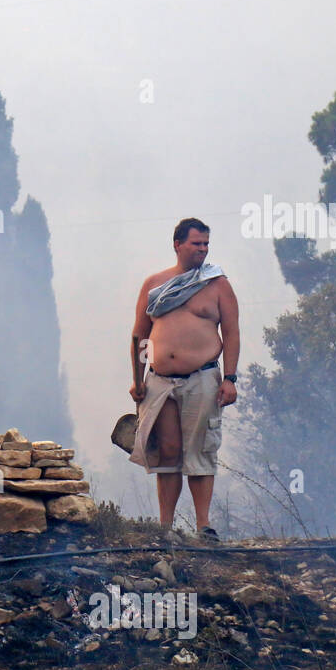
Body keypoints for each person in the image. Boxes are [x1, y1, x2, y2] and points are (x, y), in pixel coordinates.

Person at [128, 218, 239, 540]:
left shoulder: (217, 284)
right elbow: (140, 337)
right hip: (159, 381)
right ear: (178, 244)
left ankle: (204, 526)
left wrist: (229, 378)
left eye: (206, 244)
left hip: (202, 378)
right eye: (196, 244)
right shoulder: (155, 284)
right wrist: (137, 379)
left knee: (200, 450)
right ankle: (165, 527)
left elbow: (231, 333)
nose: (202, 250)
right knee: (168, 451)